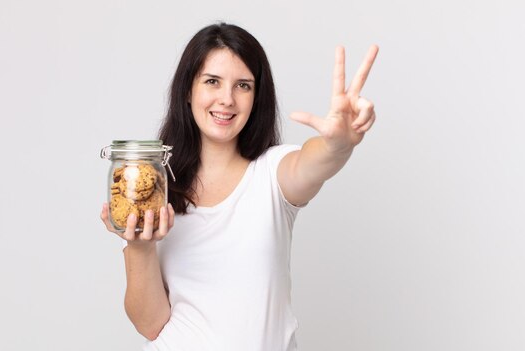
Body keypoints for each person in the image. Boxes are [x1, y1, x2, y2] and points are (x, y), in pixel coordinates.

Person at [100, 22, 378, 351]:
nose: (227, 99)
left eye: (243, 85)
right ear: (188, 90)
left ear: (256, 97)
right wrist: (140, 246)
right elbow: (150, 324)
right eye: (212, 82)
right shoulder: (155, 190)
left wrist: (340, 143)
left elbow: (316, 161)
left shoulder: (273, 173)